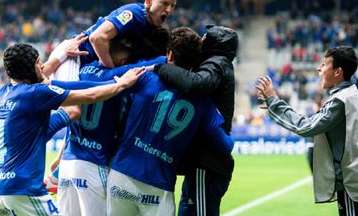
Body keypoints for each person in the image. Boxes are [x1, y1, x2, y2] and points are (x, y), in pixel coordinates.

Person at [0, 42, 145, 215]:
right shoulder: (34, 94)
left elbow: (67, 105)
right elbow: (90, 95)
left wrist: (61, 55)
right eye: (38, 63)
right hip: (23, 189)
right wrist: (121, 84)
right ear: (28, 69)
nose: (42, 66)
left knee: (71, 112)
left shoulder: (3, 94)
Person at [106, 27, 234, 216]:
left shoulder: (145, 77)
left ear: (170, 54)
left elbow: (105, 85)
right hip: (158, 187)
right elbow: (226, 145)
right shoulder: (203, 102)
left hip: (122, 175)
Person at [256, 46, 358, 216]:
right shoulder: (348, 94)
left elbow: (306, 127)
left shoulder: (341, 100)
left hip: (353, 185)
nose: (319, 68)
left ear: (338, 71)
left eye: (324, 64)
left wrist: (274, 102)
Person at [53, 29, 169, 216]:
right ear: (124, 60)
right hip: (93, 162)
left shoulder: (80, 71)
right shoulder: (116, 76)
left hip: (68, 163)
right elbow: (157, 63)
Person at [153, 25, 238, 216]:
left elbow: (196, 83)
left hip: (207, 164)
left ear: (217, 41)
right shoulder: (219, 63)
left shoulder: (217, 63)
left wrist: (161, 68)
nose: (202, 38)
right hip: (206, 164)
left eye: (206, 36)